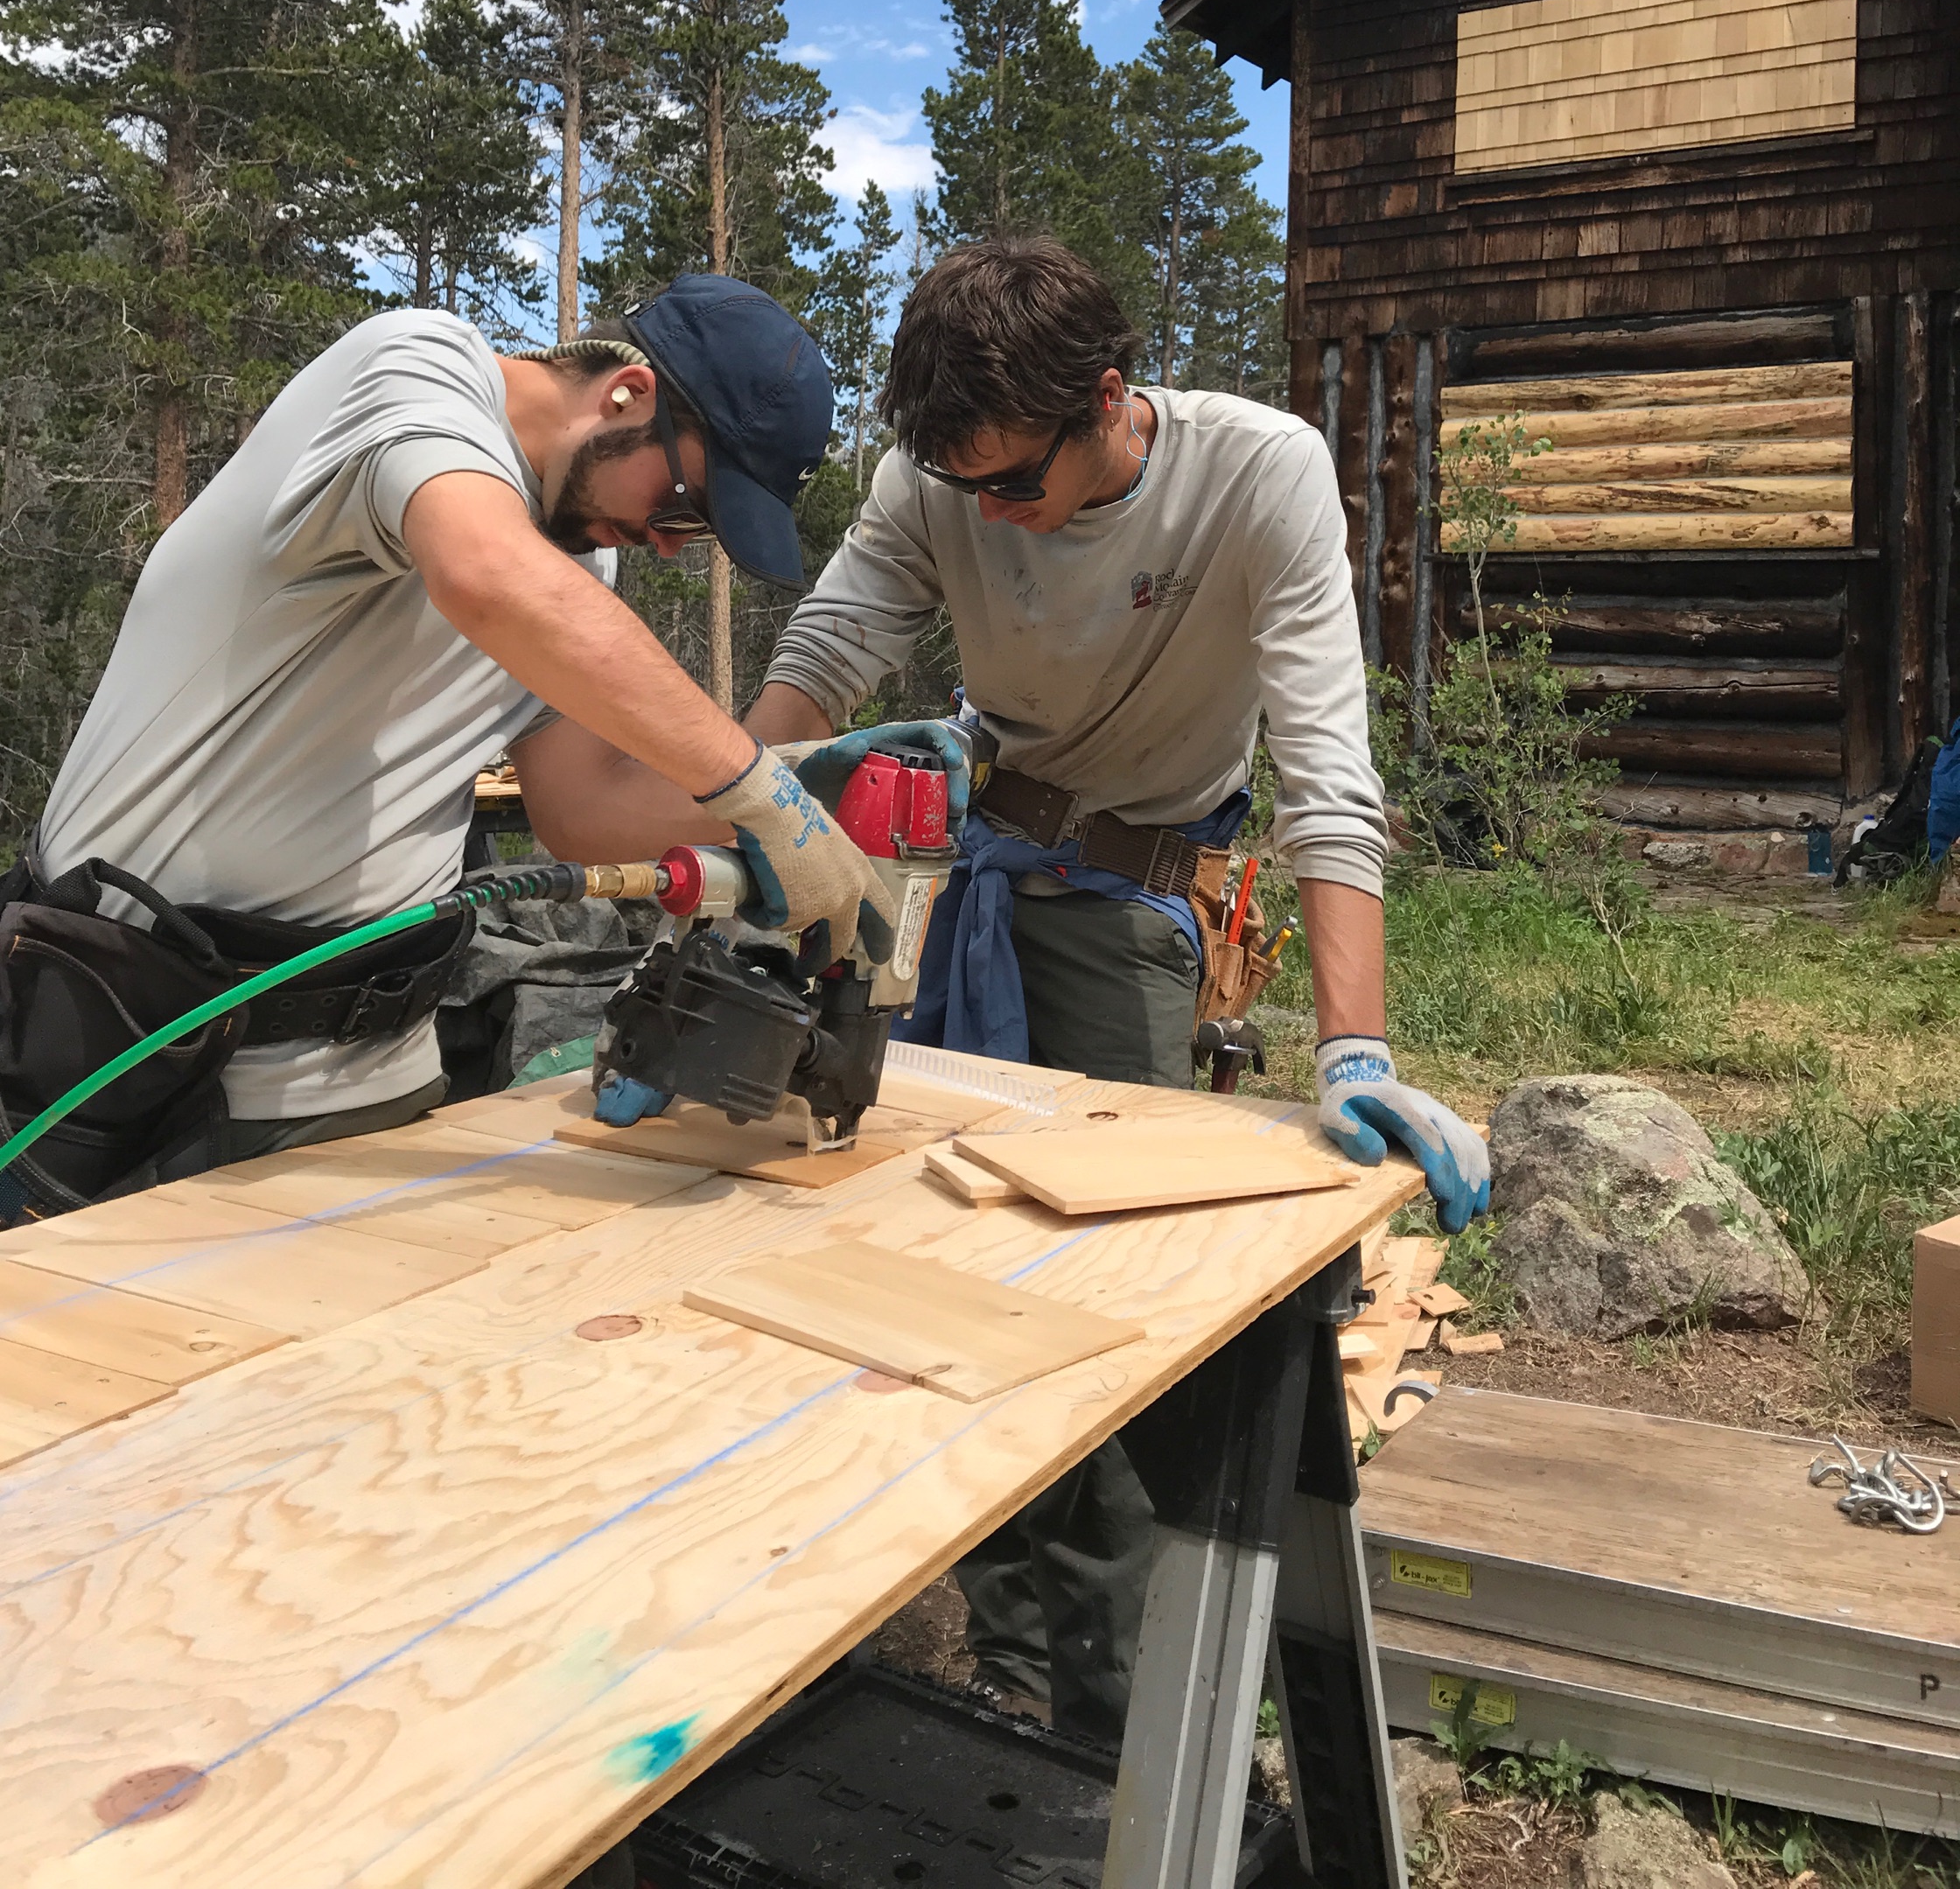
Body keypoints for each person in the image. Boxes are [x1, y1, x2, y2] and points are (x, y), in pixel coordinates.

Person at [747, 234, 1489, 1742]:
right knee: (930, 1253)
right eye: (960, 489)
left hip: (1132, 897)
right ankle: (1010, 1648)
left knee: (1103, 1306)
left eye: (1014, 484)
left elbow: (1328, 777)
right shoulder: (942, 474)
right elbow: (827, 650)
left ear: (1109, 402)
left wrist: (1358, 1050)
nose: (988, 515)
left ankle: (1119, 1710)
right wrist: (742, 825)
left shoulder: (1256, 477)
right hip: (958, 870)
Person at [6, 276, 880, 1221]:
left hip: (372, 1084)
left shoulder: (577, 560)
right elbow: (481, 573)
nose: (672, 545)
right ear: (627, 394)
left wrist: (811, 784)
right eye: (683, 506)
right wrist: (754, 786)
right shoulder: (414, 372)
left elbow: (584, 811)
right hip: (134, 1058)